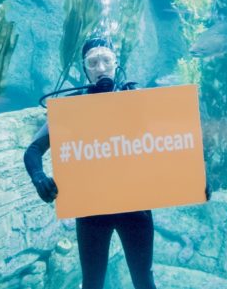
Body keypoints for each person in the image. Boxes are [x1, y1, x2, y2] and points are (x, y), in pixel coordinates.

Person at [24, 37, 158, 289]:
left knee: (144, 280)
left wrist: (194, 177)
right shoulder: (70, 108)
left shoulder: (136, 99)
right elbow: (33, 150)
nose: (101, 68)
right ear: (84, 68)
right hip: (91, 210)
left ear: (116, 63)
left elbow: (175, 142)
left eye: (106, 60)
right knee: (93, 283)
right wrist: (39, 178)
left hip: (135, 206)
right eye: (93, 62)